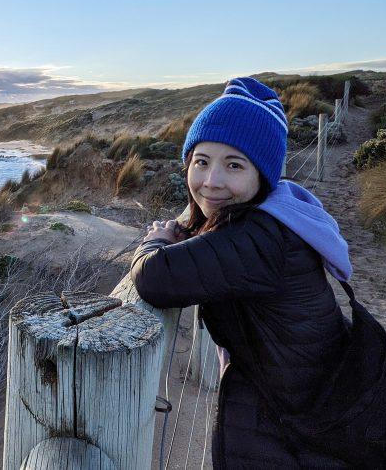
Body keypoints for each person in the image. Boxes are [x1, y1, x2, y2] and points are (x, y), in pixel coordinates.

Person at [130, 76, 356, 468]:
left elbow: (154, 277)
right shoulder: (271, 217)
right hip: (302, 408)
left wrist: (157, 239)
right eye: (201, 162)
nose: (211, 181)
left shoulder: (262, 238)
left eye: (233, 165)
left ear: (262, 176)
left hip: (297, 431)